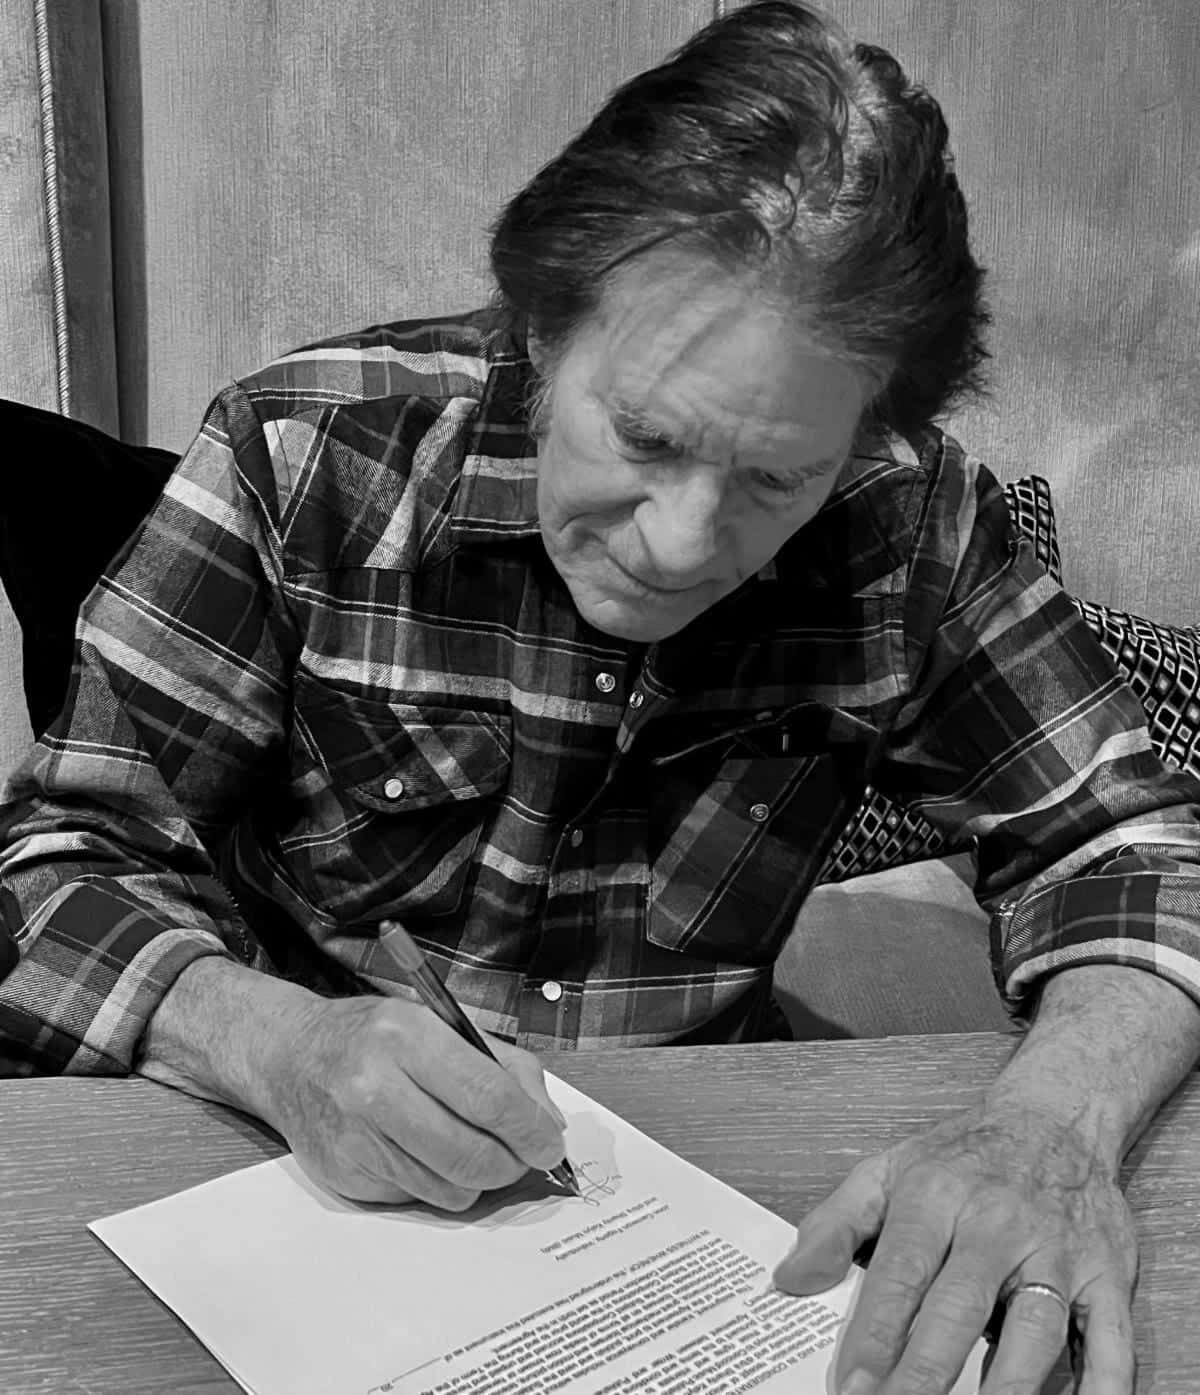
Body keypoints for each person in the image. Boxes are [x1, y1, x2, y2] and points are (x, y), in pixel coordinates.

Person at [0, 2, 1196, 1390]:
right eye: (645, 437)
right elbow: (55, 867)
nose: (684, 545)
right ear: (542, 325)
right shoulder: (300, 452)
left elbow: (1132, 840)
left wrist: (1049, 1127)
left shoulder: (909, 517)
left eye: (773, 481)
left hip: (702, 1190)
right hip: (286, 1173)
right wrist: (268, 1037)